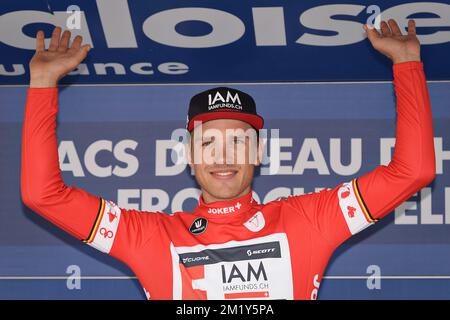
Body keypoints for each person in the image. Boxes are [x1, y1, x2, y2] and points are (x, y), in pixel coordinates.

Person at [21, 19, 435, 300]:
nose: (222, 155)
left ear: (260, 152)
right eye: (207, 142)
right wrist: (42, 83)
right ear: (188, 156)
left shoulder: (310, 219)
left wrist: (407, 63)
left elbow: (414, 170)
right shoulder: (151, 237)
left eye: (238, 142)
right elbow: (42, 195)